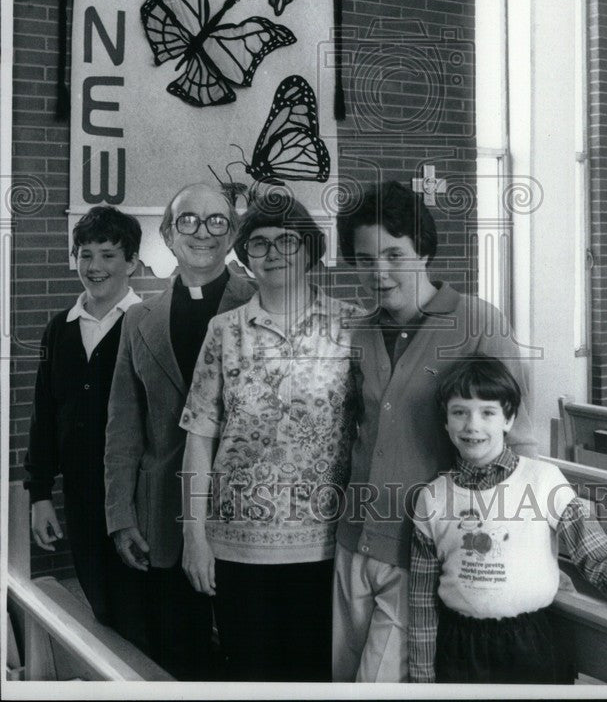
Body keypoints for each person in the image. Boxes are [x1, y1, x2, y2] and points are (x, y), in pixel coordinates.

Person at [332, 179, 537, 683]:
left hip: (420, 550)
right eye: (364, 259)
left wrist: (531, 541)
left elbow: (521, 437)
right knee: (338, 682)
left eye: (394, 255)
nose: (378, 273)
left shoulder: (478, 322)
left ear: (423, 249)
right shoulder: (358, 331)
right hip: (351, 541)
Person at [409, 356, 607, 683]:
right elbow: (421, 603)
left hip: (529, 644)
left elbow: (600, 558)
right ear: (446, 421)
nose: (472, 425)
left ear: (508, 419)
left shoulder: (543, 480)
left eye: (488, 412)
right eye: (460, 412)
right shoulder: (432, 497)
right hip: (458, 649)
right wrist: (422, 679)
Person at [180, 191, 361, 681]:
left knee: (315, 676)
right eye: (258, 243)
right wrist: (193, 534)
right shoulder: (223, 330)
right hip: (237, 548)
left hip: (325, 545)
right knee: (250, 675)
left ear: (311, 250)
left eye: (288, 240)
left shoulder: (352, 327)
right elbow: (199, 436)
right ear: (243, 254)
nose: (273, 252)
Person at [104, 182, 254, 679]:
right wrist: (121, 513)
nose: (202, 232)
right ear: (167, 234)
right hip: (162, 515)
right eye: (187, 220)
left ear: (232, 234)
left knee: (247, 654)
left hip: (250, 515)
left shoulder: (262, 304)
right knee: (178, 658)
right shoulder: (138, 320)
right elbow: (123, 425)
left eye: (217, 222)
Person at [24, 206, 143, 631]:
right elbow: (44, 416)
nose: (94, 267)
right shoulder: (59, 329)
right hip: (81, 502)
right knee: (103, 615)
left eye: (109, 254)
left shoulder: (149, 325)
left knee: (141, 618)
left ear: (132, 262)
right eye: (85, 254)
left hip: (137, 505)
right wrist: (39, 495)